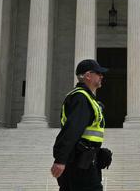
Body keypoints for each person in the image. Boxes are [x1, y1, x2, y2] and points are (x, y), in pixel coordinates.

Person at [51, 59, 109, 191]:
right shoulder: (81, 98)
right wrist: (60, 159)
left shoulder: (86, 98)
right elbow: (72, 130)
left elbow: (85, 133)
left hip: (85, 161)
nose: (102, 76)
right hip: (80, 165)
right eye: (98, 73)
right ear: (88, 75)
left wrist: (97, 152)